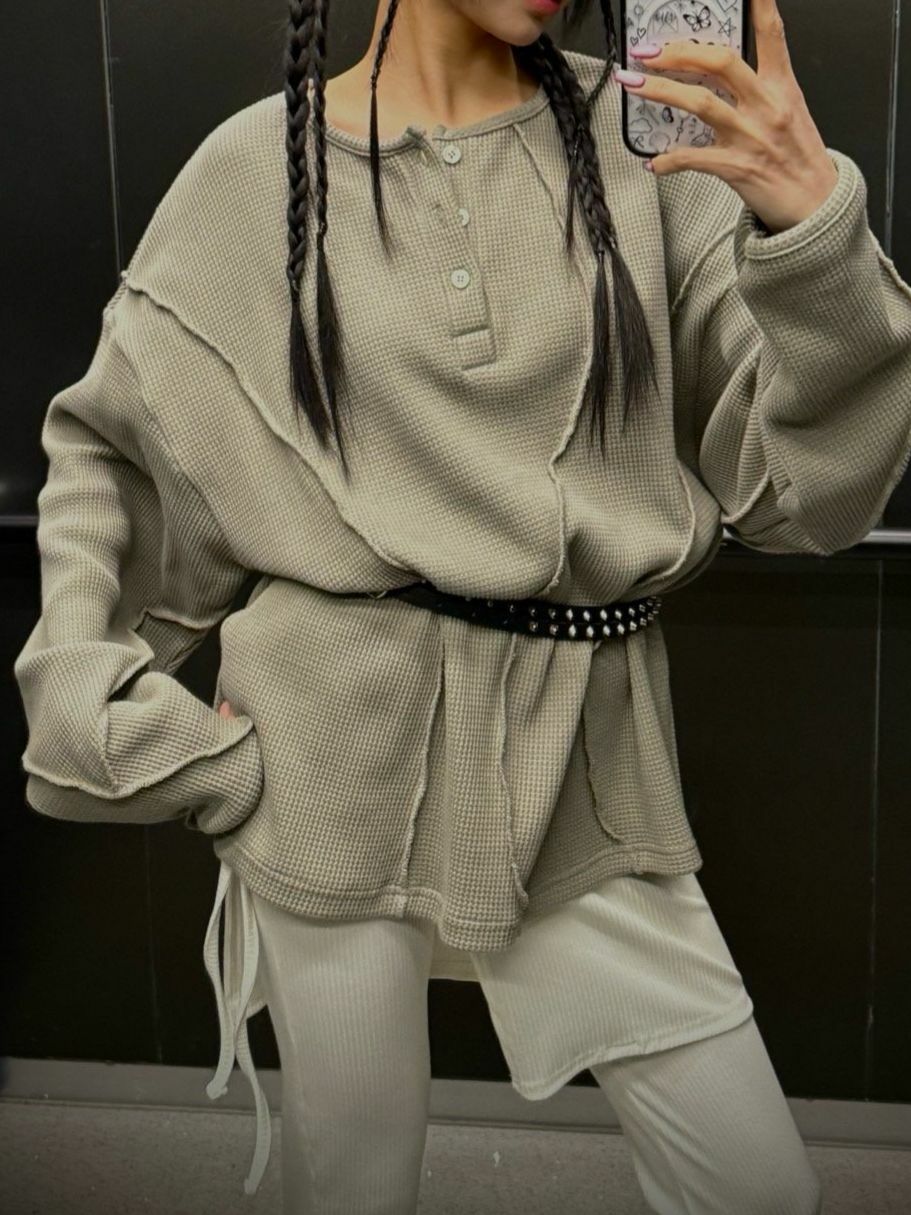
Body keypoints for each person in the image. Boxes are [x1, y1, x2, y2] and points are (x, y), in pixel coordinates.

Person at [14, 0, 911, 1210]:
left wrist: (808, 234)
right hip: (326, 760)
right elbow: (110, 455)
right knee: (352, 1186)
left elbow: (806, 498)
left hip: (586, 758)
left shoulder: (648, 149)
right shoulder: (251, 169)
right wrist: (117, 718)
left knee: (756, 1187)